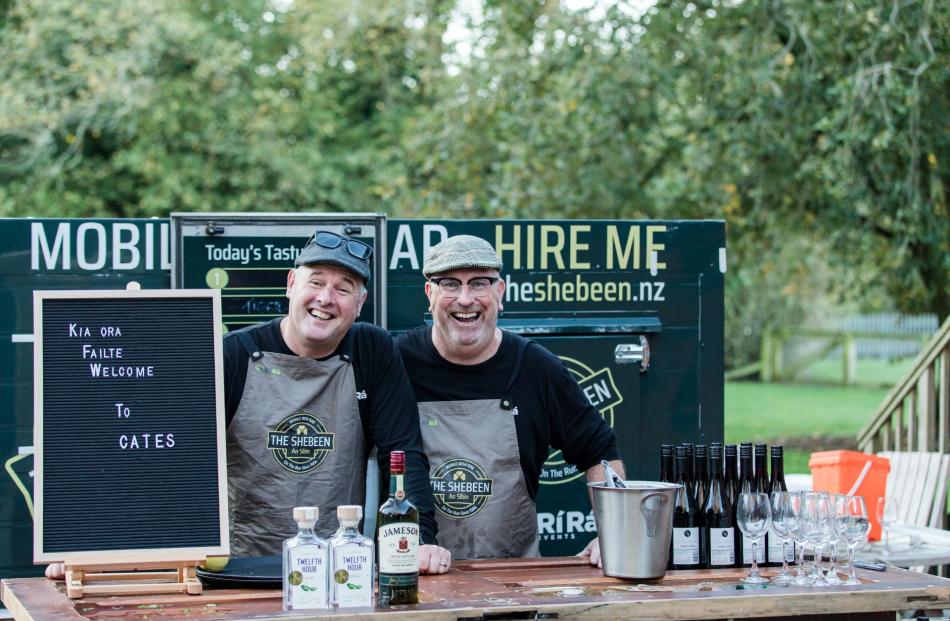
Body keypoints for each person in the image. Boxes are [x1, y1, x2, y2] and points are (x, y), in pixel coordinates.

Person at [47, 231, 450, 580]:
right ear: (291, 284)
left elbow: (403, 454)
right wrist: (92, 544)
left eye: (344, 288)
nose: (326, 298)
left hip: (334, 569)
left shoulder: (371, 351)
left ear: (359, 304)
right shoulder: (233, 356)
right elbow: (161, 457)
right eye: (316, 281)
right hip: (234, 568)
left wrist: (418, 540)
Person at [395, 234, 625, 565]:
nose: (465, 298)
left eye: (478, 284)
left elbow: (599, 452)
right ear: (430, 294)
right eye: (450, 284)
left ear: (499, 293)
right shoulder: (397, 363)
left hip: (514, 580)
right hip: (415, 573)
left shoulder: (536, 367)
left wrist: (613, 533)